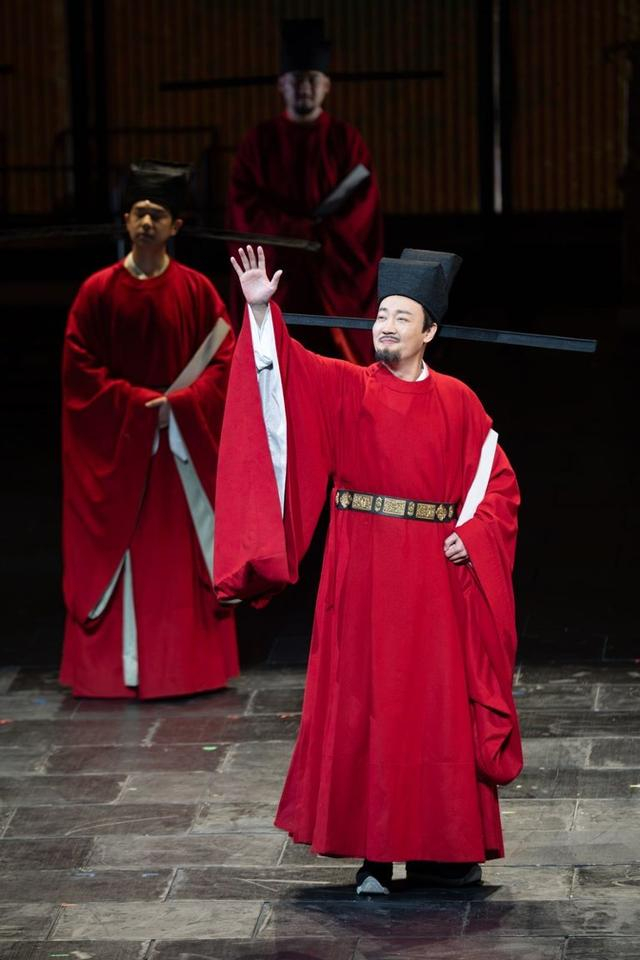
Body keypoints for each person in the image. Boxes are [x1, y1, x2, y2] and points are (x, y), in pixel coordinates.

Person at [214, 245, 522, 893]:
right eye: (381, 314)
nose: (385, 325)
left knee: (432, 709)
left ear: (429, 331)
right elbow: (284, 371)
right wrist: (261, 312)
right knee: (367, 706)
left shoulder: (459, 400)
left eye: (401, 317)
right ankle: (374, 856)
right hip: (362, 571)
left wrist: (473, 534)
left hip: (432, 578)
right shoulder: (350, 386)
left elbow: (497, 486)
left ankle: (444, 851)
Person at [60, 160, 238, 699]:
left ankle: (186, 668)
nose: (145, 223)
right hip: (123, 448)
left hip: (179, 450)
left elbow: (224, 362)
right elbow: (79, 371)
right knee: (127, 546)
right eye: (138, 213)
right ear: (125, 219)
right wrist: (139, 406)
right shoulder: (96, 292)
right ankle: (120, 673)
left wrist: (180, 405)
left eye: (157, 215)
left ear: (175, 225)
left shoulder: (197, 291)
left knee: (176, 557)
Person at [225, 19, 383, 364]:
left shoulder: (345, 140)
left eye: (312, 80)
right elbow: (244, 207)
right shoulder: (259, 142)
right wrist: (292, 230)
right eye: (296, 80)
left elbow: (362, 210)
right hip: (279, 268)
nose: (304, 88)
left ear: (326, 86)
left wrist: (321, 234)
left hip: (330, 266)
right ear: (281, 85)